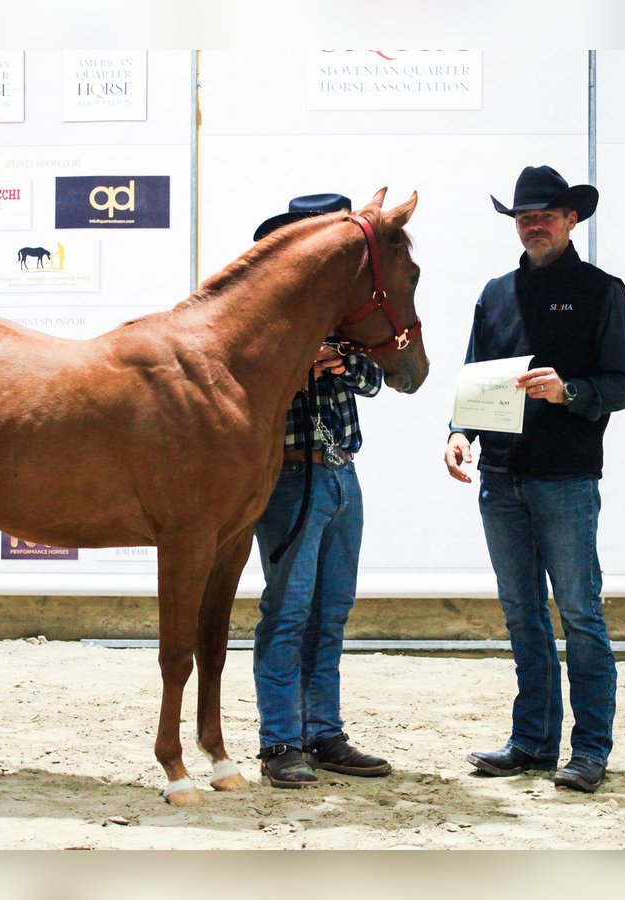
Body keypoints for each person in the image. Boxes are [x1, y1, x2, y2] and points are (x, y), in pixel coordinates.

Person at [444, 166, 625, 793]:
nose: (533, 225)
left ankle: (589, 751)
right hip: (500, 479)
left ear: (570, 220)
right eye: (524, 217)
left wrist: (570, 391)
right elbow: (476, 373)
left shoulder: (601, 291)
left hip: (567, 478)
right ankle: (532, 742)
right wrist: (457, 432)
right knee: (523, 615)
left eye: (545, 216)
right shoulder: (495, 292)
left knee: (580, 614)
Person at [251, 193, 393, 789]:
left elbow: (374, 379)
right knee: (288, 611)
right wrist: (293, 362)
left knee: (330, 611)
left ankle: (323, 733)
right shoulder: (264, 319)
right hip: (291, 473)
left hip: (341, 472)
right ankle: (280, 739)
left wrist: (337, 359)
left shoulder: (342, 321)